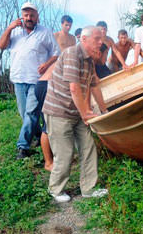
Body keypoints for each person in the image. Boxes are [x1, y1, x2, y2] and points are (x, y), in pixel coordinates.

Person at [42, 25, 108, 203]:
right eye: (97, 39)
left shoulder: (89, 60)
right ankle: (55, 189)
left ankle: (88, 188)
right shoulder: (72, 53)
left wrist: (104, 110)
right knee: (65, 152)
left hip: (76, 112)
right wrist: (86, 114)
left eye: (101, 39)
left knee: (88, 147)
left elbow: (94, 85)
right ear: (83, 39)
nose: (101, 43)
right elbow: (74, 87)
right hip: (59, 111)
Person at [0, 2, 60, 160]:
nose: (29, 18)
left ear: (37, 17)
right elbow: (1, 46)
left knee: (31, 112)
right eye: (26, 15)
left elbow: (56, 53)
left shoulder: (44, 32)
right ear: (22, 16)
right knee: (25, 114)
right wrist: (9, 28)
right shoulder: (15, 33)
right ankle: (39, 136)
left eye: (32, 15)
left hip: (36, 80)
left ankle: (23, 147)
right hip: (18, 79)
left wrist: (46, 64)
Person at [36, 18, 76, 171]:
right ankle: (48, 162)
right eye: (66, 24)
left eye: (70, 25)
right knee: (47, 125)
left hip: (50, 83)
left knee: (59, 122)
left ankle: (59, 156)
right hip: (46, 85)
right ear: (62, 24)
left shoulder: (72, 41)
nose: (68, 27)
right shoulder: (55, 40)